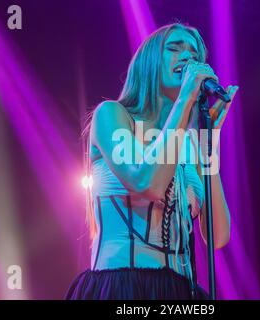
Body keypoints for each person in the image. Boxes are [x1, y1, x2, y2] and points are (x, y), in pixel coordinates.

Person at [65, 23, 238, 300]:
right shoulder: (113, 115)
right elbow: (148, 184)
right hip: (122, 284)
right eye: (174, 48)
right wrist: (184, 99)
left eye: (194, 53)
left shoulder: (191, 144)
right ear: (148, 63)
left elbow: (217, 236)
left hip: (180, 291)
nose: (187, 57)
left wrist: (209, 143)